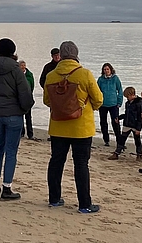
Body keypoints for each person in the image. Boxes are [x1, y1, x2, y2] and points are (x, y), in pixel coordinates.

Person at [44, 41, 104, 214]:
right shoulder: (84, 74)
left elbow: (47, 101)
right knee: (81, 165)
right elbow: (99, 99)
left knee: (56, 162)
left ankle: (54, 199)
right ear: (76, 55)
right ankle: (84, 204)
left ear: (60, 56)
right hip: (81, 128)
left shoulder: (51, 75)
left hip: (57, 126)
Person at [0, 38, 34, 201]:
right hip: (13, 115)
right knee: (11, 151)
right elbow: (25, 94)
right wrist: (24, 109)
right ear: (13, 52)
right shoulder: (16, 70)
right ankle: (7, 187)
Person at [108, 87, 142, 161]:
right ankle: (116, 153)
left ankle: (139, 155)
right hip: (127, 124)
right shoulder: (128, 103)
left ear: (132, 95)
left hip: (135, 125)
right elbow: (126, 114)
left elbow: (140, 117)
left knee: (137, 141)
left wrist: (139, 128)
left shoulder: (139, 103)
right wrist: (119, 117)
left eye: (127, 97)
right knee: (122, 139)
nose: (127, 99)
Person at [97, 62, 123, 146]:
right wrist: (97, 103)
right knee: (103, 123)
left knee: (115, 123)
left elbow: (120, 91)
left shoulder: (115, 78)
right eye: (104, 69)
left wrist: (119, 102)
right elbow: (97, 91)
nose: (106, 71)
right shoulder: (100, 79)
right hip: (103, 105)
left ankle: (119, 141)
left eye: (107, 69)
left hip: (114, 104)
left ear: (111, 70)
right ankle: (106, 140)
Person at [19, 60, 39, 141]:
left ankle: (30, 134)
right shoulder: (17, 75)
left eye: (24, 65)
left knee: (28, 117)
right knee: (20, 116)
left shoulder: (29, 75)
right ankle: (21, 132)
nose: (23, 67)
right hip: (19, 99)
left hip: (27, 98)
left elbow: (32, 86)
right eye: (21, 65)